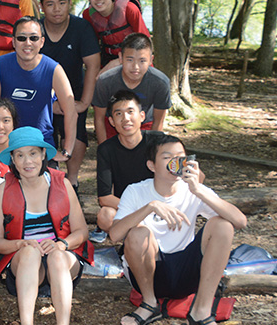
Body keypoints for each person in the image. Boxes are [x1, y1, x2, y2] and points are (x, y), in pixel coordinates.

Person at [111, 133, 246, 325]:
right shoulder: (136, 191)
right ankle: (149, 304)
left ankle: (201, 311)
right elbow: (115, 235)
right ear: (151, 165)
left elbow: (240, 221)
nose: (175, 162)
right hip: (148, 274)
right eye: (167, 157)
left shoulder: (192, 189)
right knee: (137, 233)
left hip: (187, 273)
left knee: (223, 225)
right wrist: (150, 207)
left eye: (180, 157)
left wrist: (198, 189)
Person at [0, 127, 92, 325]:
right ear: (12, 158)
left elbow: (82, 231)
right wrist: (20, 244)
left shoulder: (62, 184)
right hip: (24, 264)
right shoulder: (3, 190)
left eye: (33, 153)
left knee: (56, 257)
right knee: (30, 252)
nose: (28, 161)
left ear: (43, 154)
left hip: (63, 260)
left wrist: (61, 244)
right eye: (20, 155)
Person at [0, 16, 76, 167]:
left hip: (41, 145)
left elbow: (71, 111)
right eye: (22, 38)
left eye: (33, 38)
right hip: (8, 145)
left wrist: (66, 151)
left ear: (42, 42)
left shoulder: (53, 69)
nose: (27, 43)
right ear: (14, 42)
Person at [38, 0, 101, 188]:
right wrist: (46, 102)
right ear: (41, 6)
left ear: (70, 3)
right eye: (50, 4)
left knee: (77, 133)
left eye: (62, 3)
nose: (57, 9)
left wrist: (84, 103)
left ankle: (72, 181)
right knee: (45, 135)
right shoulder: (35, 29)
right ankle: (49, 182)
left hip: (75, 93)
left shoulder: (81, 28)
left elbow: (93, 65)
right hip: (42, 96)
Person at [92, 91, 164, 244]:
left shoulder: (159, 142)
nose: (126, 119)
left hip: (162, 209)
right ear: (111, 121)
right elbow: (104, 198)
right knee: (105, 215)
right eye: (119, 114)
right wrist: (143, 210)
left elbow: (197, 176)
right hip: (128, 210)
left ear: (142, 116)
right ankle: (133, 244)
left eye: (131, 112)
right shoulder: (106, 149)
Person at [92, 32, 171, 144]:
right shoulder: (105, 81)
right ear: (120, 58)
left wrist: (153, 153)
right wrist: (104, 150)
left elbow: (158, 122)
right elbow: (99, 119)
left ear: (151, 60)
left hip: (145, 125)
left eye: (142, 61)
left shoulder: (160, 82)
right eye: (130, 60)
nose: (135, 67)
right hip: (113, 124)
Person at [81, 0, 150, 70]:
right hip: (106, 63)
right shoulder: (88, 15)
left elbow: (145, 42)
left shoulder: (129, 9)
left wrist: (120, 61)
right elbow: (93, 46)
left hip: (135, 61)